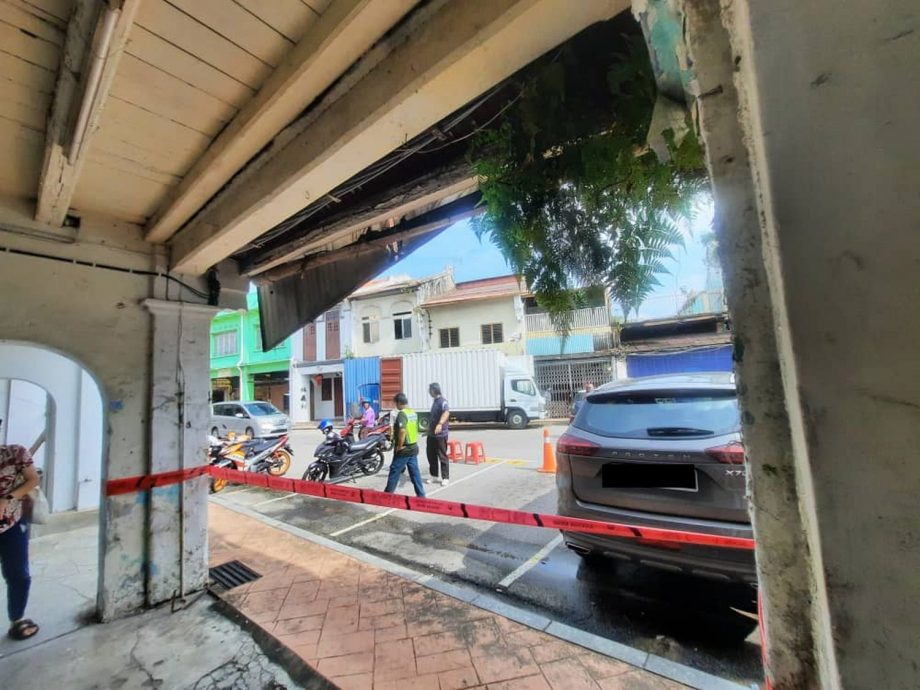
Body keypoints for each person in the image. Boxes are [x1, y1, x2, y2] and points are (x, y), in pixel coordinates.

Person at [0, 441, 41, 641]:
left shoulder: (15, 453)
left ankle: (17, 619)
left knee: (18, 574)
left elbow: (33, 479)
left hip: (13, 524)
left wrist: (7, 498)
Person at [384, 393, 425, 497]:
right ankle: (421, 496)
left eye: (396, 404)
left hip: (404, 449)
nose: (396, 406)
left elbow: (402, 431)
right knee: (415, 473)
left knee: (394, 471)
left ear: (399, 403)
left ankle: (387, 496)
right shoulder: (413, 413)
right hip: (413, 447)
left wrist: (399, 446)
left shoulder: (402, 414)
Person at [426, 383, 450, 486]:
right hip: (431, 434)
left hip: (440, 435)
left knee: (442, 455)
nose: (429, 392)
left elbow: (446, 413)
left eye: (430, 390)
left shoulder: (442, 401)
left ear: (434, 390)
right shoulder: (435, 401)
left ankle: (445, 477)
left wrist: (440, 424)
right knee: (431, 455)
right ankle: (434, 475)